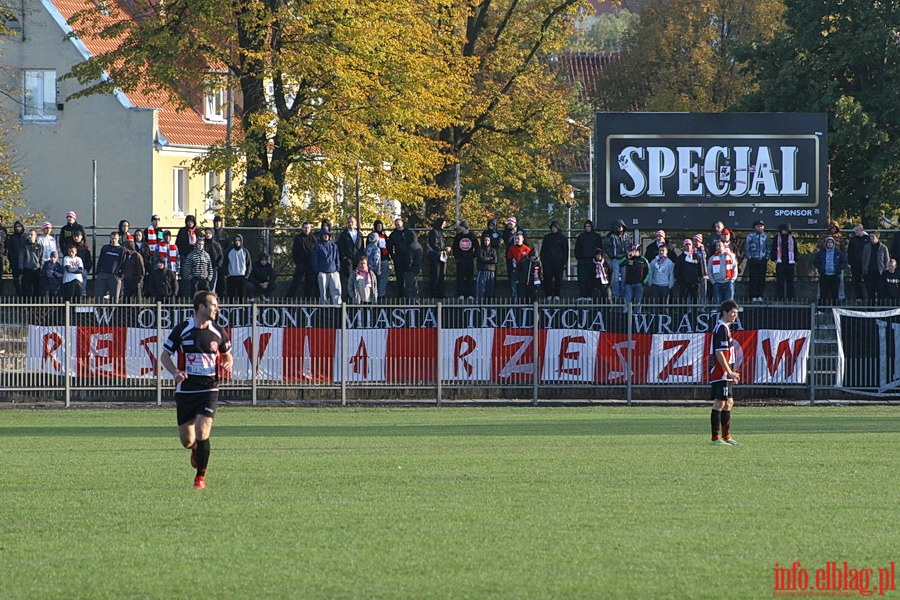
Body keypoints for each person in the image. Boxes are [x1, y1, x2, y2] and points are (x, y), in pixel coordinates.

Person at [160, 290, 233, 490]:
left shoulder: (218, 331)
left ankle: (200, 478)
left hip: (209, 388)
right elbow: (164, 355)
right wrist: (175, 372)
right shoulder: (183, 329)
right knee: (187, 440)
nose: (217, 309)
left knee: (203, 431)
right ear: (201, 307)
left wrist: (228, 363)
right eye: (213, 305)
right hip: (186, 390)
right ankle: (195, 449)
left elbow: (228, 355)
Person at [709, 299, 742, 446]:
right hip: (720, 372)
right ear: (724, 312)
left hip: (725, 372)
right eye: (733, 313)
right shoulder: (721, 328)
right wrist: (728, 371)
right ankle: (716, 438)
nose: (735, 316)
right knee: (720, 402)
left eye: (736, 313)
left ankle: (726, 436)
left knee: (729, 402)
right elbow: (719, 353)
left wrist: (731, 372)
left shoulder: (725, 328)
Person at [311, 227, 342, 304]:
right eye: (324, 235)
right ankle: (324, 306)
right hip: (322, 272)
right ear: (321, 235)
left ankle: (337, 305)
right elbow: (315, 259)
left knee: (336, 290)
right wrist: (317, 269)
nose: (326, 236)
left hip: (333, 271)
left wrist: (337, 268)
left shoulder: (333, 245)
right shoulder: (317, 246)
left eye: (327, 234)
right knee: (323, 291)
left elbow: (337, 258)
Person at [602, 219, 631, 301]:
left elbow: (629, 246)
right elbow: (606, 247)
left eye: (622, 226)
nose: (620, 228)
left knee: (624, 278)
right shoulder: (610, 236)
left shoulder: (626, 236)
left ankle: (623, 296)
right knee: (615, 279)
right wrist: (612, 255)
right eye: (618, 226)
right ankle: (616, 296)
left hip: (624, 259)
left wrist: (627, 254)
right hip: (614, 259)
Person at [813, 236, 847, 304]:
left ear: (834, 243)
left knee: (835, 294)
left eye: (831, 242)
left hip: (835, 276)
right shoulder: (821, 252)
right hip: (824, 276)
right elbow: (815, 262)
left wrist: (838, 269)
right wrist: (821, 268)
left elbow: (844, 262)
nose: (829, 244)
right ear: (826, 244)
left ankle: (835, 310)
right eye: (828, 242)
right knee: (823, 294)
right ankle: (821, 310)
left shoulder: (839, 252)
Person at [539, 221, 568, 301]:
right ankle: (548, 294)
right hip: (548, 262)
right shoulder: (547, 237)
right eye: (552, 227)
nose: (553, 229)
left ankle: (557, 294)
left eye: (555, 227)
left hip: (559, 262)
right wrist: (543, 260)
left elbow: (565, 251)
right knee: (547, 278)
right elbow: (543, 250)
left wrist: (564, 262)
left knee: (558, 279)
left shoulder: (562, 238)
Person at [337, 216, 365, 300]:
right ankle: (349, 296)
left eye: (352, 222)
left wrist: (361, 259)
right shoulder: (343, 234)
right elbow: (340, 247)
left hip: (358, 260)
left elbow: (362, 247)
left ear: (356, 223)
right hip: (348, 260)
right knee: (349, 278)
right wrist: (344, 258)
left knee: (358, 278)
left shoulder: (359, 234)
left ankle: (358, 296)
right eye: (349, 222)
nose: (350, 223)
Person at [287, 222, 316, 299]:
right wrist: (297, 261)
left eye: (308, 228)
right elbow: (294, 251)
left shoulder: (313, 238)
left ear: (310, 229)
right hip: (301, 262)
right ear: (302, 228)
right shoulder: (298, 238)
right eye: (305, 228)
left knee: (310, 281)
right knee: (296, 280)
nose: (307, 229)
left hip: (310, 263)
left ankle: (308, 298)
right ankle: (289, 297)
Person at [576, 220, 604, 299]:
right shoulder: (581, 236)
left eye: (589, 226)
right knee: (582, 278)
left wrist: (598, 257)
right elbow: (577, 248)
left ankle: (590, 295)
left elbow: (600, 248)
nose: (587, 228)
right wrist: (579, 256)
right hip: (582, 260)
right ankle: (583, 295)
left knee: (591, 278)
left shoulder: (596, 236)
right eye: (586, 226)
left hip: (593, 260)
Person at [94, 231, 126, 302]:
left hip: (114, 275)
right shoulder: (105, 248)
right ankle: (99, 312)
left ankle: (113, 312)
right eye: (112, 238)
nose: (113, 240)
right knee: (99, 297)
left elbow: (123, 263)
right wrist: (98, 273)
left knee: (114, 298)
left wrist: (120, 275)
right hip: (103, 274)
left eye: (115, 238)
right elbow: (100, 260)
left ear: (118, 238)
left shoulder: (122, 250)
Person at [743, 220, 770, 302]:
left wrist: (767, 257)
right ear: (755, 227)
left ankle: (760, 295)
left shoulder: (766, 236)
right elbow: (746, 247)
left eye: (761, 226)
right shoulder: (750, 236)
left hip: (762, 260)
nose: (760, 227)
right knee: (753, 278)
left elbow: (768, 247)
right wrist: (749, 257)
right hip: (753, 260)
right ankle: (753, 295)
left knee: (761, 278)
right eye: (758, 226)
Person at [860, 231, 890, 303]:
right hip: (869, 273)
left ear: (877, 237)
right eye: (870, 236)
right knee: (870, 292)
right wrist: (864, 271)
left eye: (872, 236)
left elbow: (887, 260)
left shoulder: (883, 248)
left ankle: (880, 309)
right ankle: (871, 309)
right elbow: (863, 259)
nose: (871, 238)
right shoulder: (867, 247)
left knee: (880, 292)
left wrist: (884, 271)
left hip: (879, 273)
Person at [452, 220, 478, 299]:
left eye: (461, 226)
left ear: (464, 227)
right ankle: (461, 294)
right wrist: (457, 257)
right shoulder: (458, 236)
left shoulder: (472, 236)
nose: (459, 228)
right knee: (460, 278)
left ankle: (470, 294)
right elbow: (455, 248)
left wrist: (473, 256)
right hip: (461, 260)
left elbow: (477, 247)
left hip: (469, 260)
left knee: (470, 277)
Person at [387, 218, 413, 298]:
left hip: (408, 257)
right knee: (399, 277)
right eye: (396, 224)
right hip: (398, 258)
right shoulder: (393, 235)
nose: (398, 225)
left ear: (402, 223)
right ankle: (401, 294)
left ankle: (409, 294)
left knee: (409, 276)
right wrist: (393, 256)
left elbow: (412, 244)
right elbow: (390, 247)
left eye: (399, 224)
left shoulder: (408, 233)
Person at [771, 223, 797, 300]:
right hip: (780, 262)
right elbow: (774, 249)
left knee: (790, 281)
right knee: (780, 281)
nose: (784, 231)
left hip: (790, 262)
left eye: (786, 230)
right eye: (783, 230)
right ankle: (780, 297)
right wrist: (774, 259)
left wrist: (795, 260)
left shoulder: (792, 238)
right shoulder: (777, 238)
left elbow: (795, 250)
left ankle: (790, 297)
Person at [426, 217, 450, 299]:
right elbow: (435, 244)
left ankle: (440, 293)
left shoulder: (439, 232)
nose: (444, 226)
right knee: (436, 275)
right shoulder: (434, 232)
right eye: (443, 224)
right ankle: (435, 294)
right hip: (436, 256)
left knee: (441, 275)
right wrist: (444, 249)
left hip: (440, 255)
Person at [708, 239, 739, 304]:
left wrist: (732, 280)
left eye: (720, 245)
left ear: (724, 247)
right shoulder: (712, 258)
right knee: (717, 303)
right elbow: (709, 271)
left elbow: (735, 268)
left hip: (728, 282)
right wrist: (713, 282)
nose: (718, 247)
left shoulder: (730, 257)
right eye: (717, 246)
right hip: (717, 283)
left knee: (729, 303)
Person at [674, 239, 703, 303]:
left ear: (692, 245)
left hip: (694, 282)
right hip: (684, 283)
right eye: (686, 245)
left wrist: (699, 278)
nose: (688, 246)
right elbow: (677, 270)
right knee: (683, 299)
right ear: (684, 246)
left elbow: (700, 268)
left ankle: (695, 312)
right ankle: (684, 312)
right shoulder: (680, 258)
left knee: (695, 299)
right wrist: (680, 281)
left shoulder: (696, 256)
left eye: (689, 244)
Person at [622, 244, 649, 312]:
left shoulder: (643, 259)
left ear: (639, 251)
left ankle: (637, 312)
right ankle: (626, 312)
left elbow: (648, 271)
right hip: (628, 283)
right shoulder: (628, 259)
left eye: (636, 250)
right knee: (628, 298)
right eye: (633, 250)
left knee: (638, 299)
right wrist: (627, 257)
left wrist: (643, 282)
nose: (634, 252)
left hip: (639, 283)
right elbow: (620, 263)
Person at [846, 223, 869, 301]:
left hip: (865, 264)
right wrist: (850, 262)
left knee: (867, 280)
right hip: (855, 263)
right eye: (855, 230)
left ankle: (869, 296)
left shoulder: (867, 238)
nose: (856, 232)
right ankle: (859, 297)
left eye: (857, 230)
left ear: (862, 230)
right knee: (856, 280)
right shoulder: (853, 239)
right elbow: (850, 251)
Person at [506, 231, 531, 300]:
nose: (517, 240)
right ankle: (515, 300)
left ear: (522, 239)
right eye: (516, 239)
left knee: (523, 286)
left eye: (518, 239)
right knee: (514, 286)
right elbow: (509, 259)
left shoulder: (527, 249)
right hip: (515, 270)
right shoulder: (512, 248)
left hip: (523, 271)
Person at [371, 220, 391, 299]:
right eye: (378, 226)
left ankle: (381, 294)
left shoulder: (384, 236)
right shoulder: (372, 235)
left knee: (384, 278)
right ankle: (374, 294)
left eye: (381, 225)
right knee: (375, 278)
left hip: (384, 258)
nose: (380, 227)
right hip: (375, 260)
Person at [20, 229, 43, 296]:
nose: (29, 236)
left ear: (35, 236)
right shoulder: (24, 246)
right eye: (29, 235)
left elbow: (41, 257)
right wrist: (21, 267)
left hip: (36, 269)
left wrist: (41, 267)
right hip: (27, 269)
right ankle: (26, 305)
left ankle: (36, 305)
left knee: (37, 288)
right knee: (26, 288)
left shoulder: (39, 246)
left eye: (31, 234)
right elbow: (21, 257)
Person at [476, 233, 497, 300]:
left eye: (488, 240)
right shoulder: (480, 249)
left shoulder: (493, 250)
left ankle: (489, 305)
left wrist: (486, 259)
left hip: (491, 270)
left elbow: (495, 260)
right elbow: (480, 259)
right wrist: (490, 258)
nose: (486, 242)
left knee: (490, 289)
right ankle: (480, 305)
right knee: (480, 288)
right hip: (482, 270)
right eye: (485, 240)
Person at [7, 220, 26, 296]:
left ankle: (24, 297)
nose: (18, 228)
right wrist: (11, 262)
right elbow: (10, 251)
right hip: (15, 261)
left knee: (25, 280)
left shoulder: (26, 237)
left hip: (25, 262)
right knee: (16, 280)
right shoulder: (12, 238)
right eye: (16, 227)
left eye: (20, 226)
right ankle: (18, 294)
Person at [202, 228, 224, 295]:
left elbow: (221, 256)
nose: (208, 235)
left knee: (212, 287)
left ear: (212, 234)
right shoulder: (202, 244)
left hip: (213, 268)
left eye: (209, 233)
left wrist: (217, 265)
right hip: (203, 269)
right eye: (206, 233)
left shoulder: (216, 245)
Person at [363, 232, 382, 300]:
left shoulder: (366, 248)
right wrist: (378, 271)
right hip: (373, 270)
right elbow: (377, 260)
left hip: (366, 270)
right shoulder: (376, 249)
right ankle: (374, 302)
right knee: (374, 287)